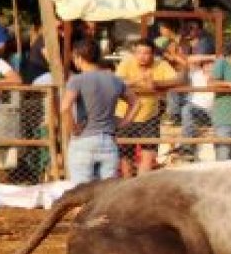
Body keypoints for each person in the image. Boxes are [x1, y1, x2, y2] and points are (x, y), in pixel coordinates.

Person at [62, 40, 139, 183]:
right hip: (109, 141)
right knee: (106, 194)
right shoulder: (115, 80)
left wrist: (73, 128)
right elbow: (135, 102)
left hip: (83, 140)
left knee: (80, 192)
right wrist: (124, 122)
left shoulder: (77, 80)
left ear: (78, 57)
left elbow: (65, 107)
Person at [114, 38, 183, 176]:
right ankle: (127, 186)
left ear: (153, 54)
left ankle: (140, 186)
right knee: (125, 154)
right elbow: (117, 81)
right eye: (139, 52)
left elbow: (178, 80)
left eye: (146, 53)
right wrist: (138, 80)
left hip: (150, 117)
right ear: (134, 53)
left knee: (148, 154)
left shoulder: (161, 64)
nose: (142, 56)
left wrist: (156, 84)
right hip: (125, 116)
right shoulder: (126, 63)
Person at [179, 55, 216, 159]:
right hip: (196, 108)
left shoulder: (219, 76)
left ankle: (220, 148)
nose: (210, 67)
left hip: (214, 109)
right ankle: (187, 148)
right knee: (186, 109)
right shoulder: (196, 73)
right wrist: (213, 57)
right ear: (202, 66)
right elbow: (188, 59)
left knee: (219, 119)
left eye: (212, 65)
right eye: (207, 65)